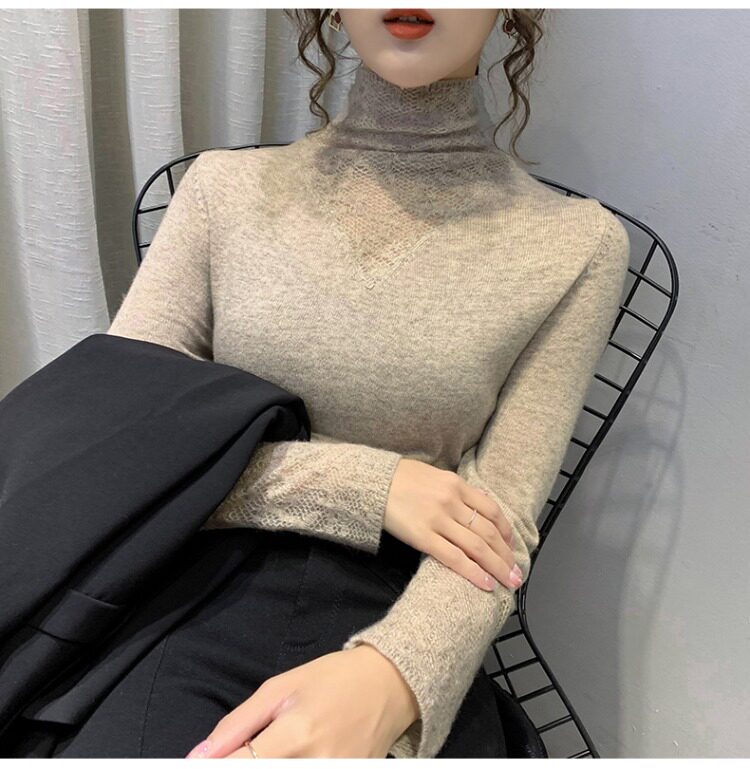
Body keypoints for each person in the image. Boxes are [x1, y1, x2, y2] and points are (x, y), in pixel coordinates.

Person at [0, 8, 630, 760]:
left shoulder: (577, 245)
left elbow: (500, 528)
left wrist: (394, 677)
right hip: (183, 595)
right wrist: (369, 488)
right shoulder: (222, 193)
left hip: (404, 607)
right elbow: (120, 452)